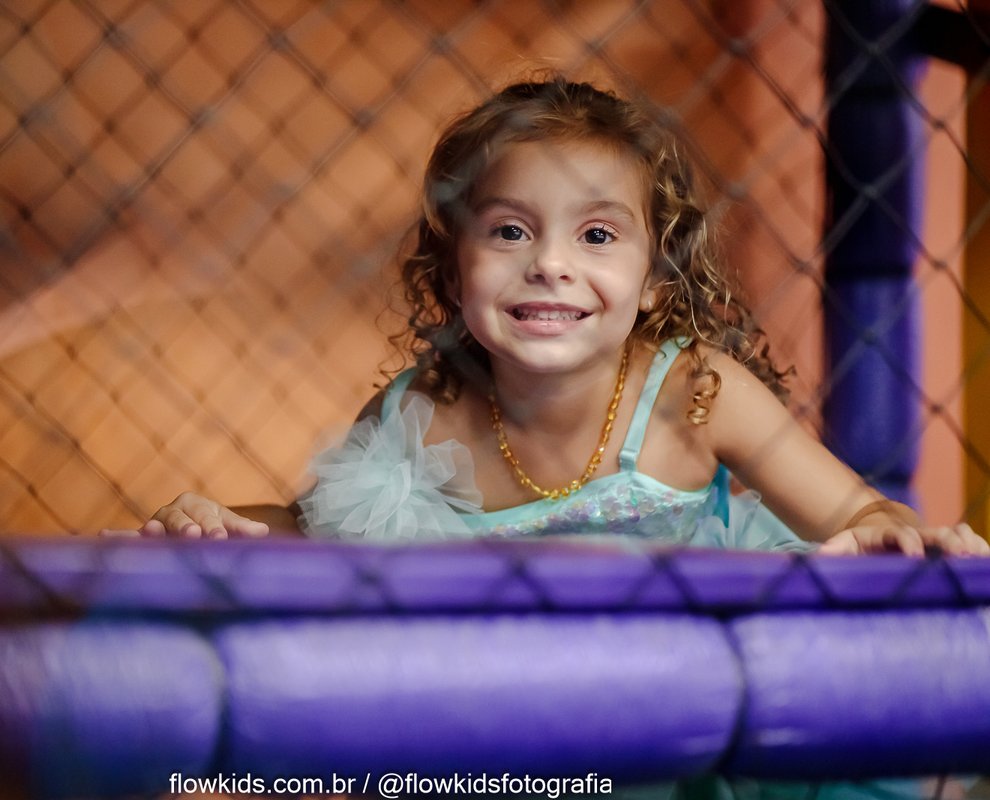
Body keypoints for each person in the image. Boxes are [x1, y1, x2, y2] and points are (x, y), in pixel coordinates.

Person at [137, 77, 987, 557]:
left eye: (597, 235)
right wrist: (218, 522)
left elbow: (858, 514)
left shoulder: (695, 395)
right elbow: (312, 532)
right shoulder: (424, 415)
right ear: (455, 270)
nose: (549, 262)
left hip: (690, 704)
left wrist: (887, 534)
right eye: (510, 231)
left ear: (654, 279)